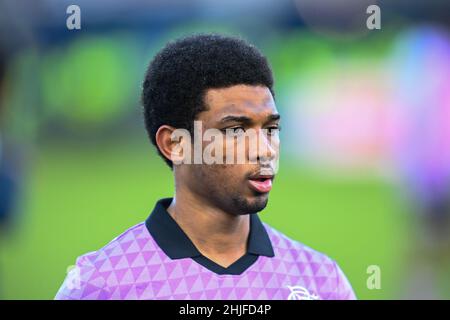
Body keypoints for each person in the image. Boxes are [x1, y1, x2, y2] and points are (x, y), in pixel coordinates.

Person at [55, 34, 355, 300]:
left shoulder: (321, 281)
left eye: (271, 129)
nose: (265, 150)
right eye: (236, 130)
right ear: (175, 144)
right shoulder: (102, 285)